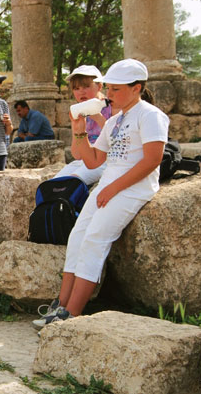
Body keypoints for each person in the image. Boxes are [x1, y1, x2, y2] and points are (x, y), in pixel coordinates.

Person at [32, 59, 169, 330]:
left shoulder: (150, 115)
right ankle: (60, 305)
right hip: (109, 183)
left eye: (115, 90)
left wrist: (113, 188)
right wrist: (78, 130)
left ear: (136, 88)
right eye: (108, 88)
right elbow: (93, 160)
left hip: (133, 187)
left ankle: (71, 314)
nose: (108, 95)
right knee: (77, 235)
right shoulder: (115, 120)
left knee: (95, 238)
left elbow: (153, 159)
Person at [54, 65, 116, 185]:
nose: (81, 91)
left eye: (86, 86)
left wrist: (99, 119)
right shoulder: (79, 111)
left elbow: (117, 140)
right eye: (76, 88)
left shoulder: (111, 106)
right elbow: (77, 154)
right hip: (83, 160)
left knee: (72, 182)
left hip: (105, 160)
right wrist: (78, 129)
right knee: (52, 185)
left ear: (99, 86)